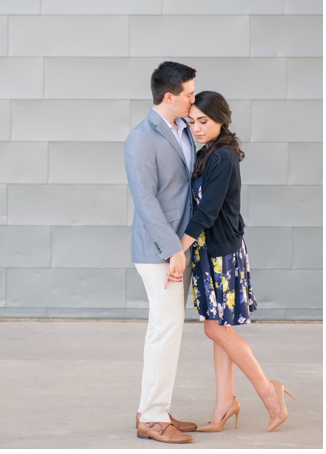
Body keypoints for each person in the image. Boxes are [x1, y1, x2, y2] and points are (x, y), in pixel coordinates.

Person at [173, 91, 294, 433]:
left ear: (221, 121)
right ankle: (225, 404)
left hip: (220, 253)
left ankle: (271, 394)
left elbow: (207, 213)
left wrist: (177, 251)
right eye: (192, 121)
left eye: (204, 121)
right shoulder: (207, 152)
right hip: (210, 251)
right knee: (219, 330)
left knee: (214, 328)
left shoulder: (223, 157)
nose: (196, 128)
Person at [124, 61, 198, 444]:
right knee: (165, 330)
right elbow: (146, 201)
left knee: (166, 328)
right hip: (158, 251)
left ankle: (155, 408)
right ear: (169, 97)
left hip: (178, 250)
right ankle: (152, 418)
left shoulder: (184, 128)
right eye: (188, 94)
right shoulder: (141, 138)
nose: (193, 99)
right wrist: (173, 250)